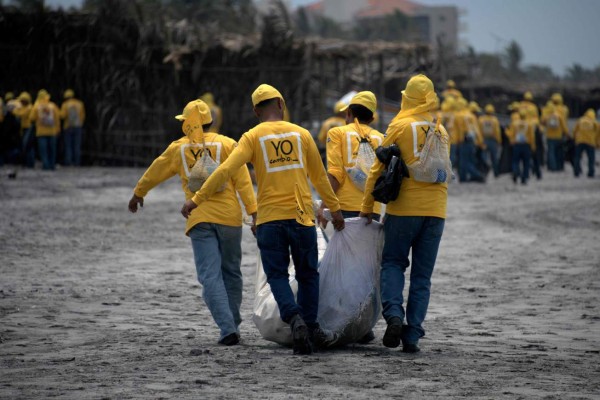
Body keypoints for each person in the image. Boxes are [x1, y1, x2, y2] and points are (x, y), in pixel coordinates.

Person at [181, 84, 345, 355]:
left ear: (255, 110)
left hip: (270, 220)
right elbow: (319, 177)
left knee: (277, 275)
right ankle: (311, 325)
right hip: (302, 217)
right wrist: (335, 211)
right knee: (308, 275)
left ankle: (294, 319)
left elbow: (225, 171)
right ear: (281, 104)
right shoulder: (302, 134)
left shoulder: (252, 136)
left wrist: (196, 199)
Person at [128, 99, 257, 346]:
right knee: (232, 273)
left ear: (188, 123)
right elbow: (242, 181)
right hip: (230, 218)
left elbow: (157, 169)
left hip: (198, 218)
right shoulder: (229, 145)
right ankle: (233, 324)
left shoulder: (179, 148)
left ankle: (227, 328)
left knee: (210, 276)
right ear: (210, 121)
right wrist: (253, 212)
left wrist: (139, 193)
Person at [360, 74, 449, 354]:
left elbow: (377, 167)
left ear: (407, 98)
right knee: (422, 276)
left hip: (403, 210)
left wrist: (367, 206)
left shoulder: (400, 125)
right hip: (436, 211)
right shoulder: (441, 130)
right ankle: (412, 336)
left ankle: (394, 316)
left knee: (393, 264)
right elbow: (442, 171)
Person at [317, 91, 384, 344]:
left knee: (343, 268)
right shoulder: (381, 138)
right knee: (365, 269)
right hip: (372, 210)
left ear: (348, 113)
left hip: (343, 211)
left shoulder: (337, 133)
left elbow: (334, 175)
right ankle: (363, 326)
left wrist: (325, 206)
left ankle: (341, 321)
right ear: (372, 116)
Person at [455, 97, 485, 182]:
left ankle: (475, 176)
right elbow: (477, 130)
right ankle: (465, 177)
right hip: (472, 141)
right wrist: (480, 142)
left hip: (464, 140)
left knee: (463, 161)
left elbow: (460, 129)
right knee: (470, 160)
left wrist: (458, 140)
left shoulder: (458, 115)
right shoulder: (471, 116)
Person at [29, 90, 60, 170]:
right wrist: (57, 129)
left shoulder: (36, 106)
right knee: (52, 150)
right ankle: (52, 165)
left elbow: (31, 118)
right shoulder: (52, 106)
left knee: (44, 151)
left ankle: (46, 165)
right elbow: (57, 118)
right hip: (52, 131)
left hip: (41, 132)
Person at [507, 110, 535, 184]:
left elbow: (511, 134)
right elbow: (532, 136)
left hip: (516, 144)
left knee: (515, 161)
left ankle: (516, 172)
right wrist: (533, 146)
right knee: (526, 163)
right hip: (526, 145)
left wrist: (511, 142)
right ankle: (524, 178)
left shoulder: (514, 123)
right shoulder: (529, 124)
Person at [60, 89, 86, 166]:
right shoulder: (80, 104)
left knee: (68, 146)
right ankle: (77, 162)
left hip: (68, 126)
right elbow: (82, 115)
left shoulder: (65, 104)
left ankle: (69, 162)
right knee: (77, 145)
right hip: (78, 126)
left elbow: (63, 115)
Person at [541, 102, 568, 172]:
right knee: (558, 152)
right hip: (558, 137)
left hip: (550, 137)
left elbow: (542, 123)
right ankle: (559, 167)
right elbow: (564, 126)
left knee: (551, 152)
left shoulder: (547, 117)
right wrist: (566, 134)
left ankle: (552, 167)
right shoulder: (559, 116)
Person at [572, 109, 599, 178]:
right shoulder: (595, 122)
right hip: (590, 142)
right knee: (591, 158)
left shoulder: (580, 120)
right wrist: (598, 143)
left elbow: (575, 130)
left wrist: (574, 138)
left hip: (580, 141)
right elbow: (598, 134)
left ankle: (576, 172)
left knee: (577, 157)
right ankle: (590, 172)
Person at [478, 104, 502, 177]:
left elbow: (478, 130)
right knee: (494, 158)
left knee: (483, 157)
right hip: (492, 141)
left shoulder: (481, 119)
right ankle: (496, 173)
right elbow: (497, 131)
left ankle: (484, 170)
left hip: (484, 140)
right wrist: (499, 140)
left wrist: (480, 141)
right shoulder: (494, 120)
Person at [13, 92, 34, 168]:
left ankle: (29, 163)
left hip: (28, 128)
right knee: (25, 146)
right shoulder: (22, 107)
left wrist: (17, 110)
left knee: (27, 145)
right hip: (23, 129)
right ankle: (26, 162)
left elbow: (21, 114)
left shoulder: (30, 107)